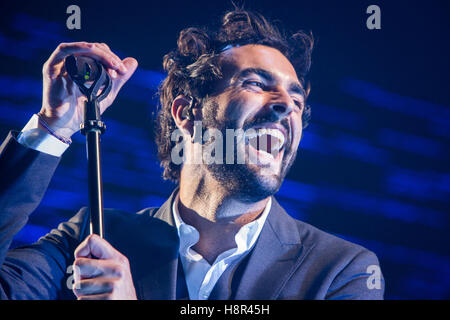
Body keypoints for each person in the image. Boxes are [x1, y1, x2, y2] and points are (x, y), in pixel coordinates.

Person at [0, 9, 384, 300]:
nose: (287, 106)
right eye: (255, 83)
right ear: (187, 113)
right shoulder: (94, 237)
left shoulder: (340, 271)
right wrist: (52, 126)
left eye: (296, 99)